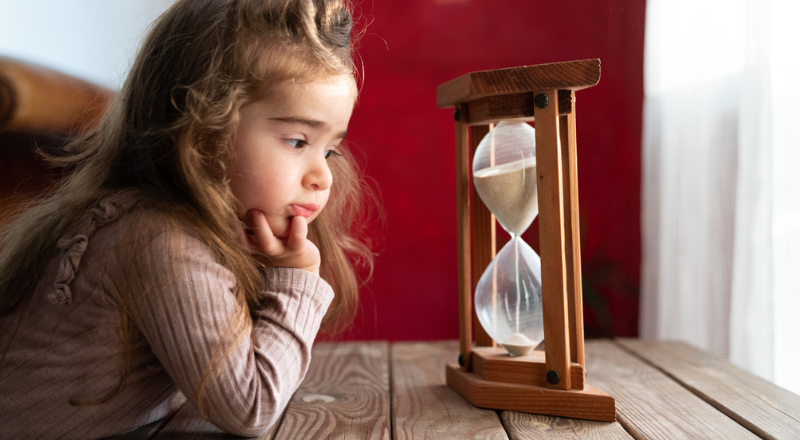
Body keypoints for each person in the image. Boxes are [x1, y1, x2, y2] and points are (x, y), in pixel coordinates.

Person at [0, 0, 375, 438]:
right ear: (201, 131)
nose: (322, 175)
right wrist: (296, 277)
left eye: (328, 149)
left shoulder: (189, 227)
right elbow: (251, 408)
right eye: (296, 141)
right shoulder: (161, 240)